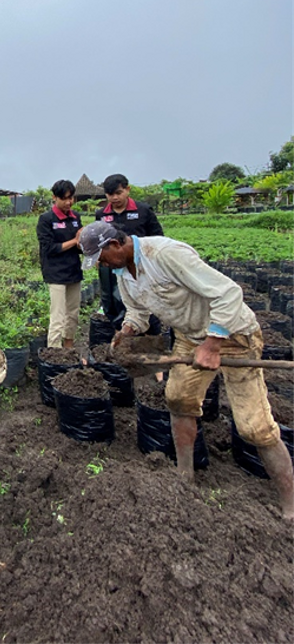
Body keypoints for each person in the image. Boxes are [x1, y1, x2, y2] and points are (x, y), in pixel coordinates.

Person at [79, 221, 294, 520]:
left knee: (254, 426)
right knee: (178, 400)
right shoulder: (122, 272)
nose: (101, 264)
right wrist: (127, 330)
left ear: (115, 245)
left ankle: (290, 506)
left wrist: (212, 344)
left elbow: (229, 293)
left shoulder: (165, 254)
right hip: (188, 338)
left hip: (233, 337)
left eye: (101, 257)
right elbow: (139, 310)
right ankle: (185, 477)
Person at [95, 173, 163, 330]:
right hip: (112, 265)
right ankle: (121, 331)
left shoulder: (143, 211)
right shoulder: (102, 215)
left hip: (140, 265)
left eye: (118, 193)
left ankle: (149, 333)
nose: (114, 198)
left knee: (143, 299)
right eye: (110, 194)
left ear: (127, 190)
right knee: (112, 299)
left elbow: (157, 237)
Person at [36, 180, 83, 348]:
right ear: (54, 197)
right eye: (64, 198)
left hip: (74, 271)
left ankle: (69, 348)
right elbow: (49, 248)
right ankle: (54, 354)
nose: (69, 202)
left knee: (73, 314)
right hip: (55, 273)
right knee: (58, 316)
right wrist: (74, 241)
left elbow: (80, 246)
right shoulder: (46, 219)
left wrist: (84, 242)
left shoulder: (76, 217)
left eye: (71, 198)